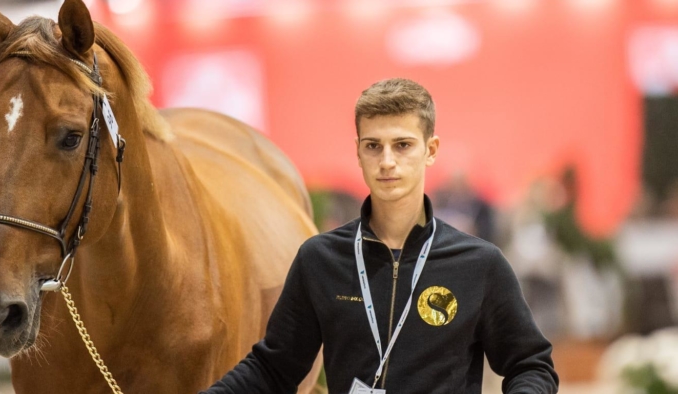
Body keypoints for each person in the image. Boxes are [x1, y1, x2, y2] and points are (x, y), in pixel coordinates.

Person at [202, 78, 558, 393]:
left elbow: (530, 365)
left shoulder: (479, 264)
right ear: (358, 151)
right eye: (373, 146)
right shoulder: (320, 259)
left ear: (430, 150)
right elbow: (274, 368)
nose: (387, 161)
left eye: (402, 145)